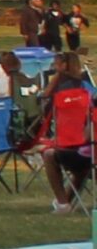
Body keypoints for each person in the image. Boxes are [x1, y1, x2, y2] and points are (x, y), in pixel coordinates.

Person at [34, 50, 94, 209]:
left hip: (72, 147)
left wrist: (55, 80)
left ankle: (62, 203)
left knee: (48, 154)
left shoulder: (62, 91)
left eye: (56, 64)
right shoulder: (88, 87)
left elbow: (44, 111)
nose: (53, 66)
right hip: (90, 148)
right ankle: (66, 201)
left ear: (64, 66)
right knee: (82, 169)